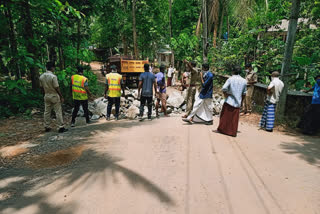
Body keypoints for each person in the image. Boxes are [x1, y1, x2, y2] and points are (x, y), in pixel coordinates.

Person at [217, 65, 247, 137]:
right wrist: (241, 101)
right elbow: (244, 93)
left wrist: (226, 95)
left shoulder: (230, 79)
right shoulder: (244, 81)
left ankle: (223, 129)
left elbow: (224, 88)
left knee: (225, 116)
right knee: (234, 118)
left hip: (229, 100)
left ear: (233, 71)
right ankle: (232, 132)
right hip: (237, 102)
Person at [39, 61, 68, 133]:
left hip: (46, 95)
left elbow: (41, 87)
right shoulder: (53, 77)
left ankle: (47, 126)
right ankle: (60, 127)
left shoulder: (41, 76)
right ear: (52, 68)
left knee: (47, 111)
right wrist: (61, 96)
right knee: (58, 111)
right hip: (54, 95)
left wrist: (44, 94)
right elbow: (57, 87)